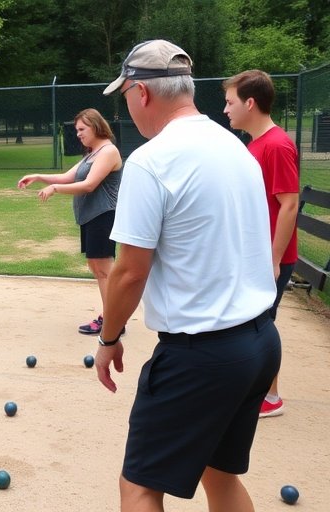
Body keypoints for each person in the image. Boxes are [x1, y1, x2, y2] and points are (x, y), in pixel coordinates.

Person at [96, 40, 281, 511]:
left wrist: (109, 337)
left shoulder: (151, 161)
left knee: (139, 485)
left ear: (141, 93)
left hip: (202, 355)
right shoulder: (234, 146)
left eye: (125, 96)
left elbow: (129, 273)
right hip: (258, 343)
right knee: (217, 476)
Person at [223, 69, 299, 418]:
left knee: (261, 326)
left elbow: (289, 204)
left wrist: (272, 258)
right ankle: (260, 392)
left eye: (230, 101)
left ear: (250, 102)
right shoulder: (256, 144)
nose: (226, 109)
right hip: (256, 256)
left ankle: (270, 398)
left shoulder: (277, 145)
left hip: (270, 259)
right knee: (255, 324)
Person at [17, 108, 123, 335]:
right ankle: (111, 317)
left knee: (104, 270)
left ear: (95, 126)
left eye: (82, 129)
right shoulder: (92, 153)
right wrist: (38, 176)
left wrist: (55, 188)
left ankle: (114, 321)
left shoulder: (108, 152)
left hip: (103, 216)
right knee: (97, 268)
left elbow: (89, 185)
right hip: (91, 217)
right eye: (77, 130)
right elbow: (69, 176)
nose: (78, 134)